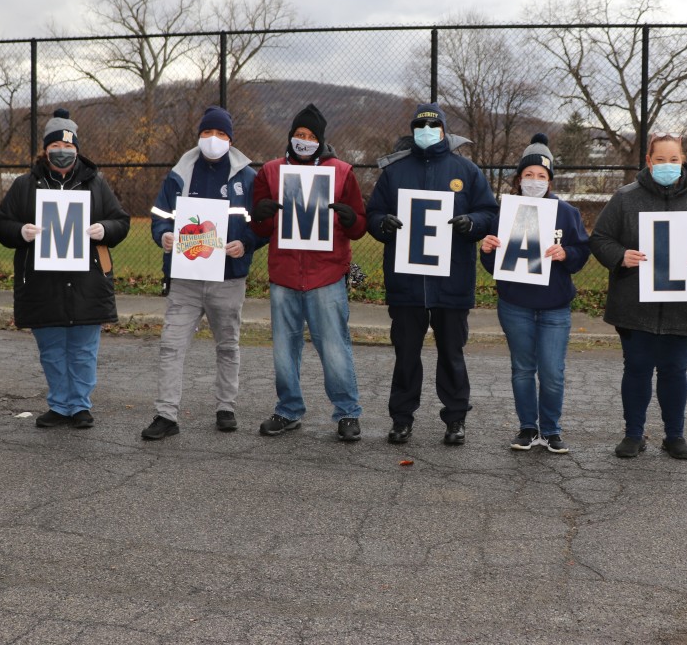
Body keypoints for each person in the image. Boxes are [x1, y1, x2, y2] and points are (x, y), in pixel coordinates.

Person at [590, 132, 687, 460]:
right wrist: (619, 256)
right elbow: (600, 238)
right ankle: (633, 434)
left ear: (683, 160)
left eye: (674, 159)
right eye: (660, 160)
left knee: (674, 370)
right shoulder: (625, 197)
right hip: (634, 304)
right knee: (637, 369)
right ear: (648, 161)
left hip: (685, 306)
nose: (667, 165)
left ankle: (675, 435)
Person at [365, 102, 498, 446]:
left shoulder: (466, 171)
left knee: (452, 355)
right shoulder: (395, 172)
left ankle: (455, 420)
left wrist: (472, 224)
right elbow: (374, 214)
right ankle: (401, 419)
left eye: (433, 126)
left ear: (443, 131)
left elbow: (488, 212)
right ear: (412, 132)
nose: (426, 132)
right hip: (406, 284)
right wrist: (382, 224)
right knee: (406, 355)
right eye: (419, 127)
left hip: (451, 282)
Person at [0, 109, 131, 430]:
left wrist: (104, 229)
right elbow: (1, 225)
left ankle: (80, 405)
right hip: (42, 285)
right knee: (52, 350)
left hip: (87, 284)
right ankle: (59, 404)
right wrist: (20, 232)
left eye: (70, 148)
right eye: (57, 147)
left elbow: (121, 222)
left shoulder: (96, 184)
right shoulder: (25, 186)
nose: (63, 153)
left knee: (83, 351)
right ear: (45, 149)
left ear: (78, 150)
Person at [142, 106, 266, 440]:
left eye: (222, 134)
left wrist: (247, 243)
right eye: (209, 133)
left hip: (228, 278)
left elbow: (264, 223)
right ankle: (166, 414)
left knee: (228, 346)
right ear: (199, 136)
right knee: (171, 345)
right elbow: (159, 216)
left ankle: (226, 408)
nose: (214, 139)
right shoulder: (179, 174)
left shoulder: (249, 178)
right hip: (185, 277)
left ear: (230, 139)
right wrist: (163, 235)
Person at [248, 104, 367, 441]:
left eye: (311, 136)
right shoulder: (271, 172)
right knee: (283, 350)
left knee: (334, 347)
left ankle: (347, 413)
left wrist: (349, 219)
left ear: (321, 140)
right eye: (299, 135)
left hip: (325, 275)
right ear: (290, 137)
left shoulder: (341, 172)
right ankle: (288, 410)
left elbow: (360, 225)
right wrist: (261, 214)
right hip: (284, 275)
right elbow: (259, 227)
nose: (304, 140)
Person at [480, 134, 591, 455]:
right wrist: (487, 251)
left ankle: (552, 429)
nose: (534, 180)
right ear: (518, 178)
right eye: (528, 175)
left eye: (541, 176)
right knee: (523, 369)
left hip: (555, 307)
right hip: (515, 305)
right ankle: (528, 427)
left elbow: (582, 254)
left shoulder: (566, 213)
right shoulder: (507, 211)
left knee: (553, 373)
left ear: (550, 181)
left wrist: (566, 253)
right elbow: (494, 263)